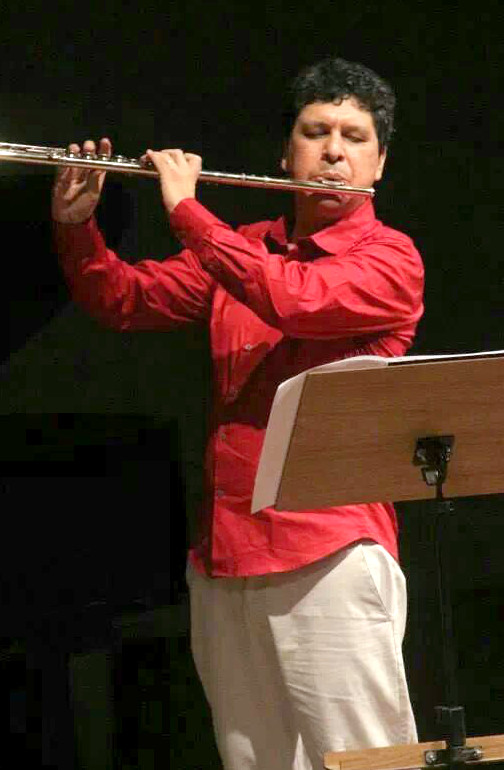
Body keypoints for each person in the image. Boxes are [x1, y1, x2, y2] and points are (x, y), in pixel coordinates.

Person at [53, 57, 424, 770]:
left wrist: (187, 213)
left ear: (379, 164)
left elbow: (295, 299)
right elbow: (123, 300)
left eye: (354, 137)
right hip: (225, 557)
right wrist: (78, 227)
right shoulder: (245, 247)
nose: (334, 152)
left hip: (329, 551)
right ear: (286, 152)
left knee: (368, 762)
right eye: (315, 133)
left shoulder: (391, 259)